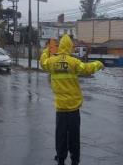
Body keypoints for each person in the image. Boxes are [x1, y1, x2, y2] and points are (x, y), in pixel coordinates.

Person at [40, 34, 104, 165]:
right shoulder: (73, 62)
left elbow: (43, 62)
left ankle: (61, 158)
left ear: (60, 47)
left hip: (61, 108)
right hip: (73, 108)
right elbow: (87, 69)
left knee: (60, 135)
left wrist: (47, 49)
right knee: (74, 135)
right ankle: (75, 159)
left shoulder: (52, 62)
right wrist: (98, 64)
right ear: (69, 47)